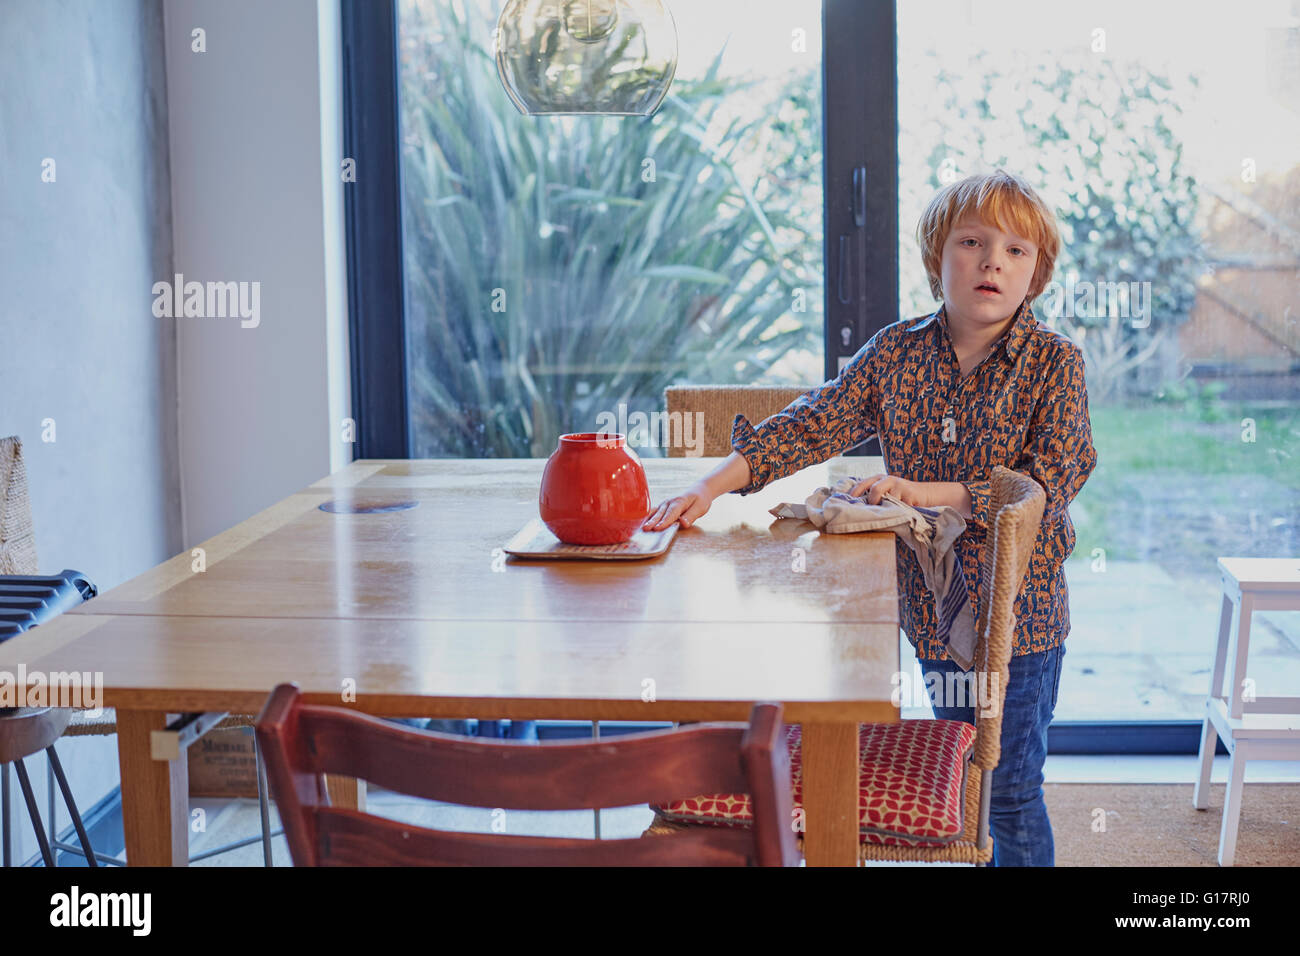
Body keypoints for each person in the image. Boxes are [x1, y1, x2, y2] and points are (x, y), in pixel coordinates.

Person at [643, 168, 1097, 866]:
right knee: (961, 774)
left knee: (1004, 792)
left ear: (1035, 275)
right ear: (936, 259)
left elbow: (1047, 483)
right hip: (930, 614)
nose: (991, 262)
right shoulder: (896, 353)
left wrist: (923, 491)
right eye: (971, 243)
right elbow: (809, 423)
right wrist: (712, 484)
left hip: (1018, 619)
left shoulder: (1056, 364)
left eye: (1015, 251)